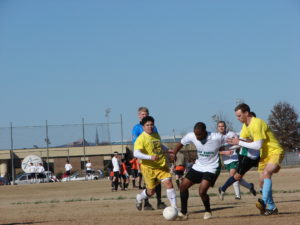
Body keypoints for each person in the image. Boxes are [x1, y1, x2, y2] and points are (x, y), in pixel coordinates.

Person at [227, 103, 284, 216]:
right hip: (264, 155)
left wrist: (238, 142)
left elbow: (257, 145)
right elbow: (242, 142)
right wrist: (224, 147)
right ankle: (272, 208)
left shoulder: (257, 123)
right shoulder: (245, 126)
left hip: (274, 151)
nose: (238, 118)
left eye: (239, 116)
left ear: (246, 113)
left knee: (267, 173)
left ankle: (262, 202)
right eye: (237, 116)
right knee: (262, 183)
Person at [170, 122, 225, 220]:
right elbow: (181, 143)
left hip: (211, 167)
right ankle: (183, 212)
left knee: (202, 191)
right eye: (196, 134)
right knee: (183, 186)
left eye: (199, 134)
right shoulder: (192, 136)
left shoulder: (216, 137)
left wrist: (245, 142)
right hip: (198, 166)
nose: (197, 137)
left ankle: (208, 211)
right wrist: (174, 153)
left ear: (205, 132)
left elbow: (232, 139)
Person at [134, 116, 183, 218]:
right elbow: (136, 153)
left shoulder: (156, 134)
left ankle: (175, 208)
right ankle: (139, 197)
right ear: (143, 127)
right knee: (151, 192)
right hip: (148, 168)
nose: (150, 127)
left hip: (161, 165)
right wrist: (149, 157)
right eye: (147, 125)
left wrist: (167, 149)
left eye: (152, 124)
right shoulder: (141, 139)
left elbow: (159, 145)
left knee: (169, 183)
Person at [132, 106, 166, 210]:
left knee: (159, 179)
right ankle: (146, 202)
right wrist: (144, 155)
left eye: (146, 114)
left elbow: (156, 142)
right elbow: (136, 143)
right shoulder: (137, 128)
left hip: (155, 156)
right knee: (148, 179)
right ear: (139, 116)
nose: (144, 116)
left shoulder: (153, 127)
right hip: (144, 156)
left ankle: (159, 202)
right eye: (142, 114)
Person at [217, 121, 256, 200]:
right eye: (219, 126)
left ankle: (237, 195)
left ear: (225, 127)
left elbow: (239, 144)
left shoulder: (231, 134)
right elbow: (215, 151)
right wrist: (224, 152)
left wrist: (231, 148)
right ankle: (250, 186)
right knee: (237, 177)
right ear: (217, 128)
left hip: (234, 158)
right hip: (226, 161)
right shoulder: (216, 138)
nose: (221, 128)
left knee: (232, 176)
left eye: (223, 126)